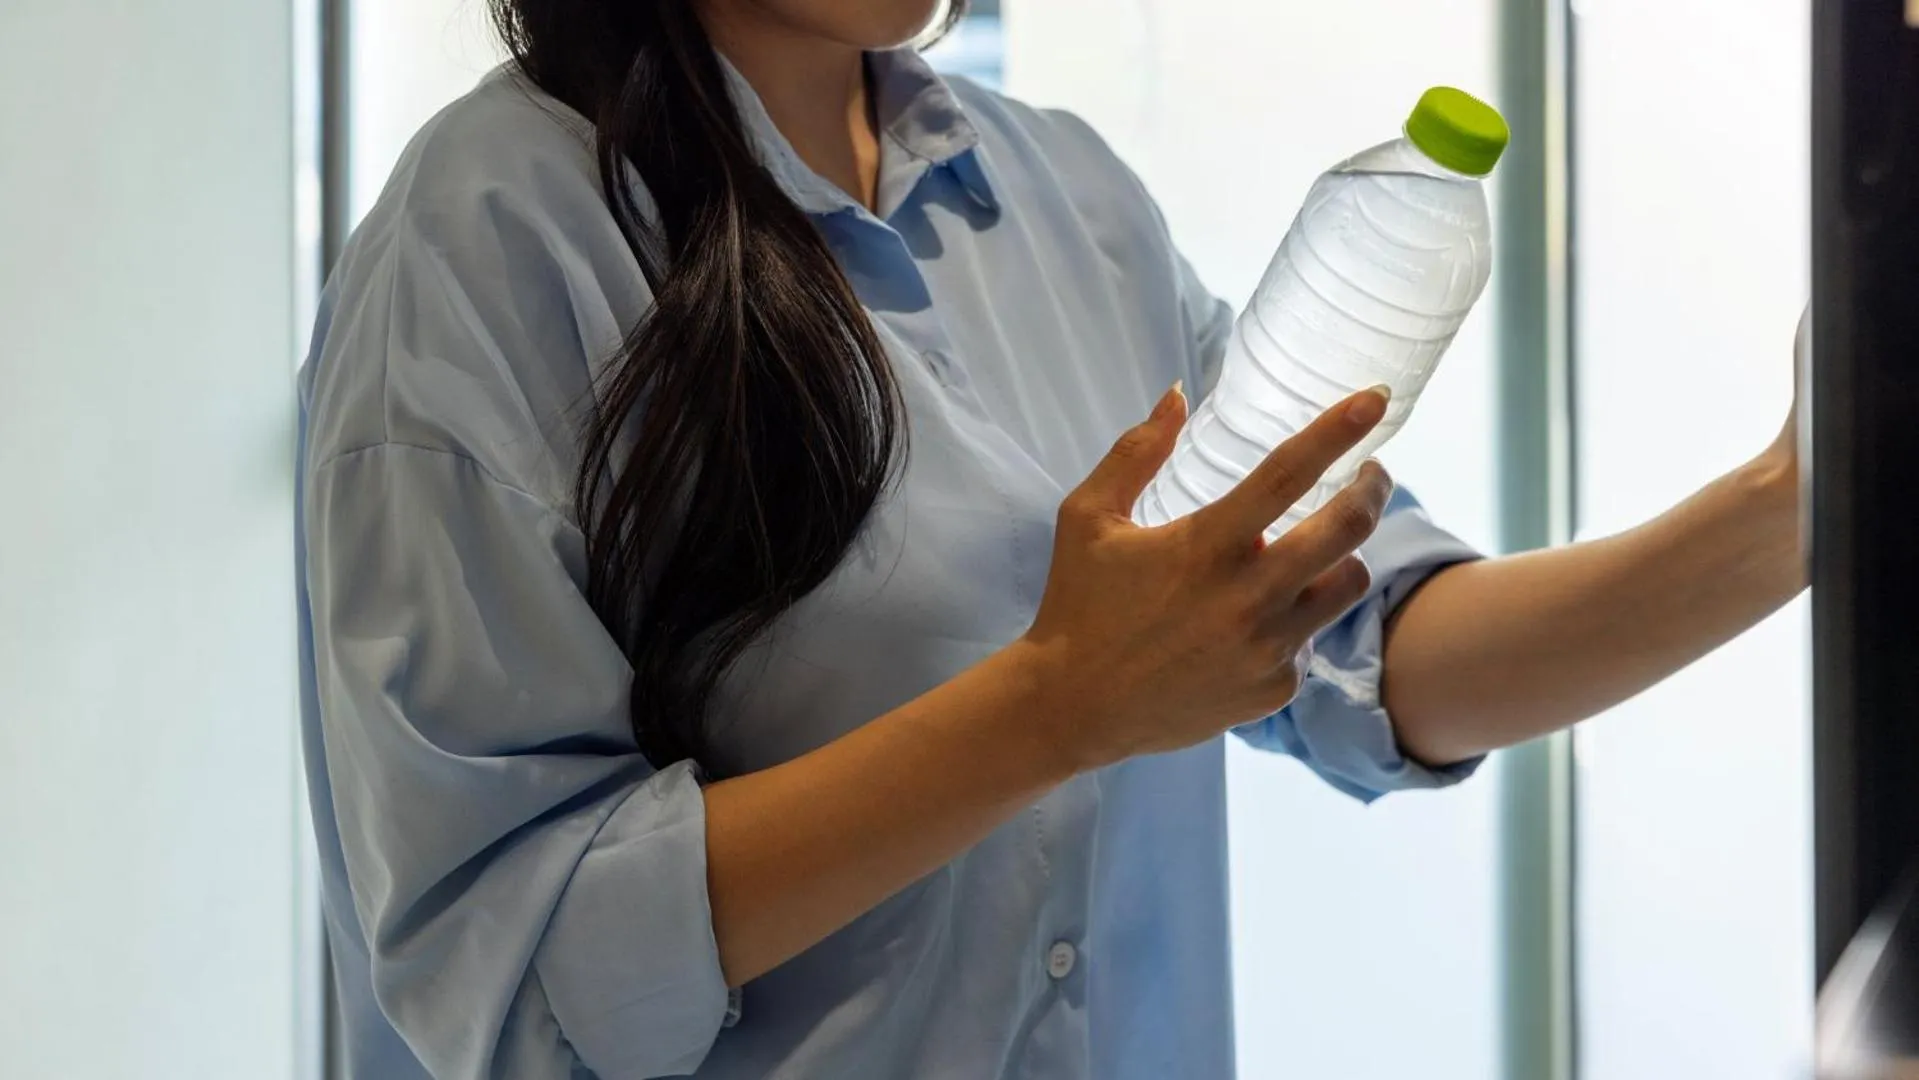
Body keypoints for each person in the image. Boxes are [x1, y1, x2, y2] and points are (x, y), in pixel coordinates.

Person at [295, 1, 1806, 1077]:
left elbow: (1376, 647)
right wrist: (1054, 709)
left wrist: (1796, 500)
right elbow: (513, 977)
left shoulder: (1067, 199)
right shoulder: (492, 239)